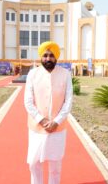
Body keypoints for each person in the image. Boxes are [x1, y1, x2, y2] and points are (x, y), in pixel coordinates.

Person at [24, 41, 73, 184]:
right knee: (34, 163)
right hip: (36, 127)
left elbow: (68, 101)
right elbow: (28, 101)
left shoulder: (65, 74)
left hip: (58, 128)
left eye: (51, 55)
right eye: (45, 55)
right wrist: (42, 120)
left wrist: (56, 121)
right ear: (41, 57)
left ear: (56, 57)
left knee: (55, 166)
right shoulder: (33, 74)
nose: (48, 58)